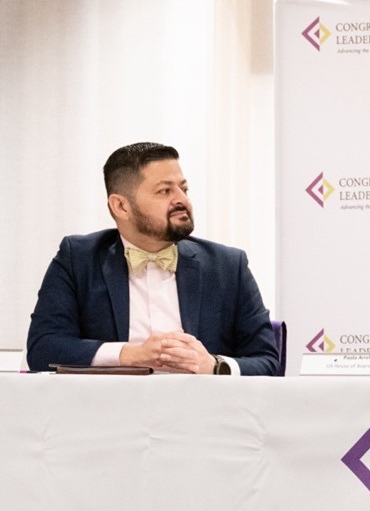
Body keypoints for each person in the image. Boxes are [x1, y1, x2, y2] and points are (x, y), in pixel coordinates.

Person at [26, 142, 279, 375]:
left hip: (204, 416)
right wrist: (130, 354)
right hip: (107, 416)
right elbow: (43, 348)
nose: (182, 199)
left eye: (184, 188)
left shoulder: (228, 265)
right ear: (121, 207)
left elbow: (268, 362)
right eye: (164, 191)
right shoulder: (78, 259)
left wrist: (214, 365)